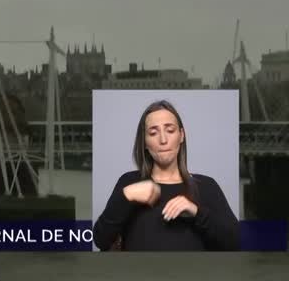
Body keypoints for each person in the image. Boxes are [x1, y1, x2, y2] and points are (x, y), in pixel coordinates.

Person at [93, 99, 239, 251]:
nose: (163, 140)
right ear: (144, 142)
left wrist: (196, 212)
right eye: (153, 133)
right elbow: (100, 240)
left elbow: (235, 243)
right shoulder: (129, 182)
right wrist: (126, 196)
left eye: (170, 130)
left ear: (181, 135)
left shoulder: (206, 186)